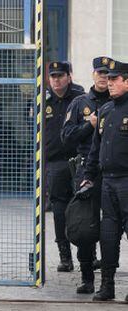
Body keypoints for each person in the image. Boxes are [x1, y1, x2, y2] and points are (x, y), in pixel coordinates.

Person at [61, 56, 112, 294]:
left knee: (112, 225)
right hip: (85, 170)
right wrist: (89, 125)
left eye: (108, 75)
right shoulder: (80, 103)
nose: (104, 78)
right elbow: (67, 137)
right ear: (93, 75)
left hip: (112, 171)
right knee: (84, 223)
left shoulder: (118, 102)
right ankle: (87, 276)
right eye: (100, 73)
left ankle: (108, 276)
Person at [82, 59, 128, 302]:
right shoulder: (107, 111)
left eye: (114, 79)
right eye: (107, 79)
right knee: (108, 237)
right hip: (107, 182)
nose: (109, 83)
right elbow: (95, 149)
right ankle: (107, 287)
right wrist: (88, 176)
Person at [45, 61, 85, 272]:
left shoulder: (80, 98)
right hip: (55, 163)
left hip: (78, 160)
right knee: (59, 211)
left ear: (69, 77)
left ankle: (88, 256)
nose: (56, 80)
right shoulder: (43, 99)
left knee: (83, 209)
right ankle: (65, 256)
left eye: (60, 75)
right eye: (53, 76)